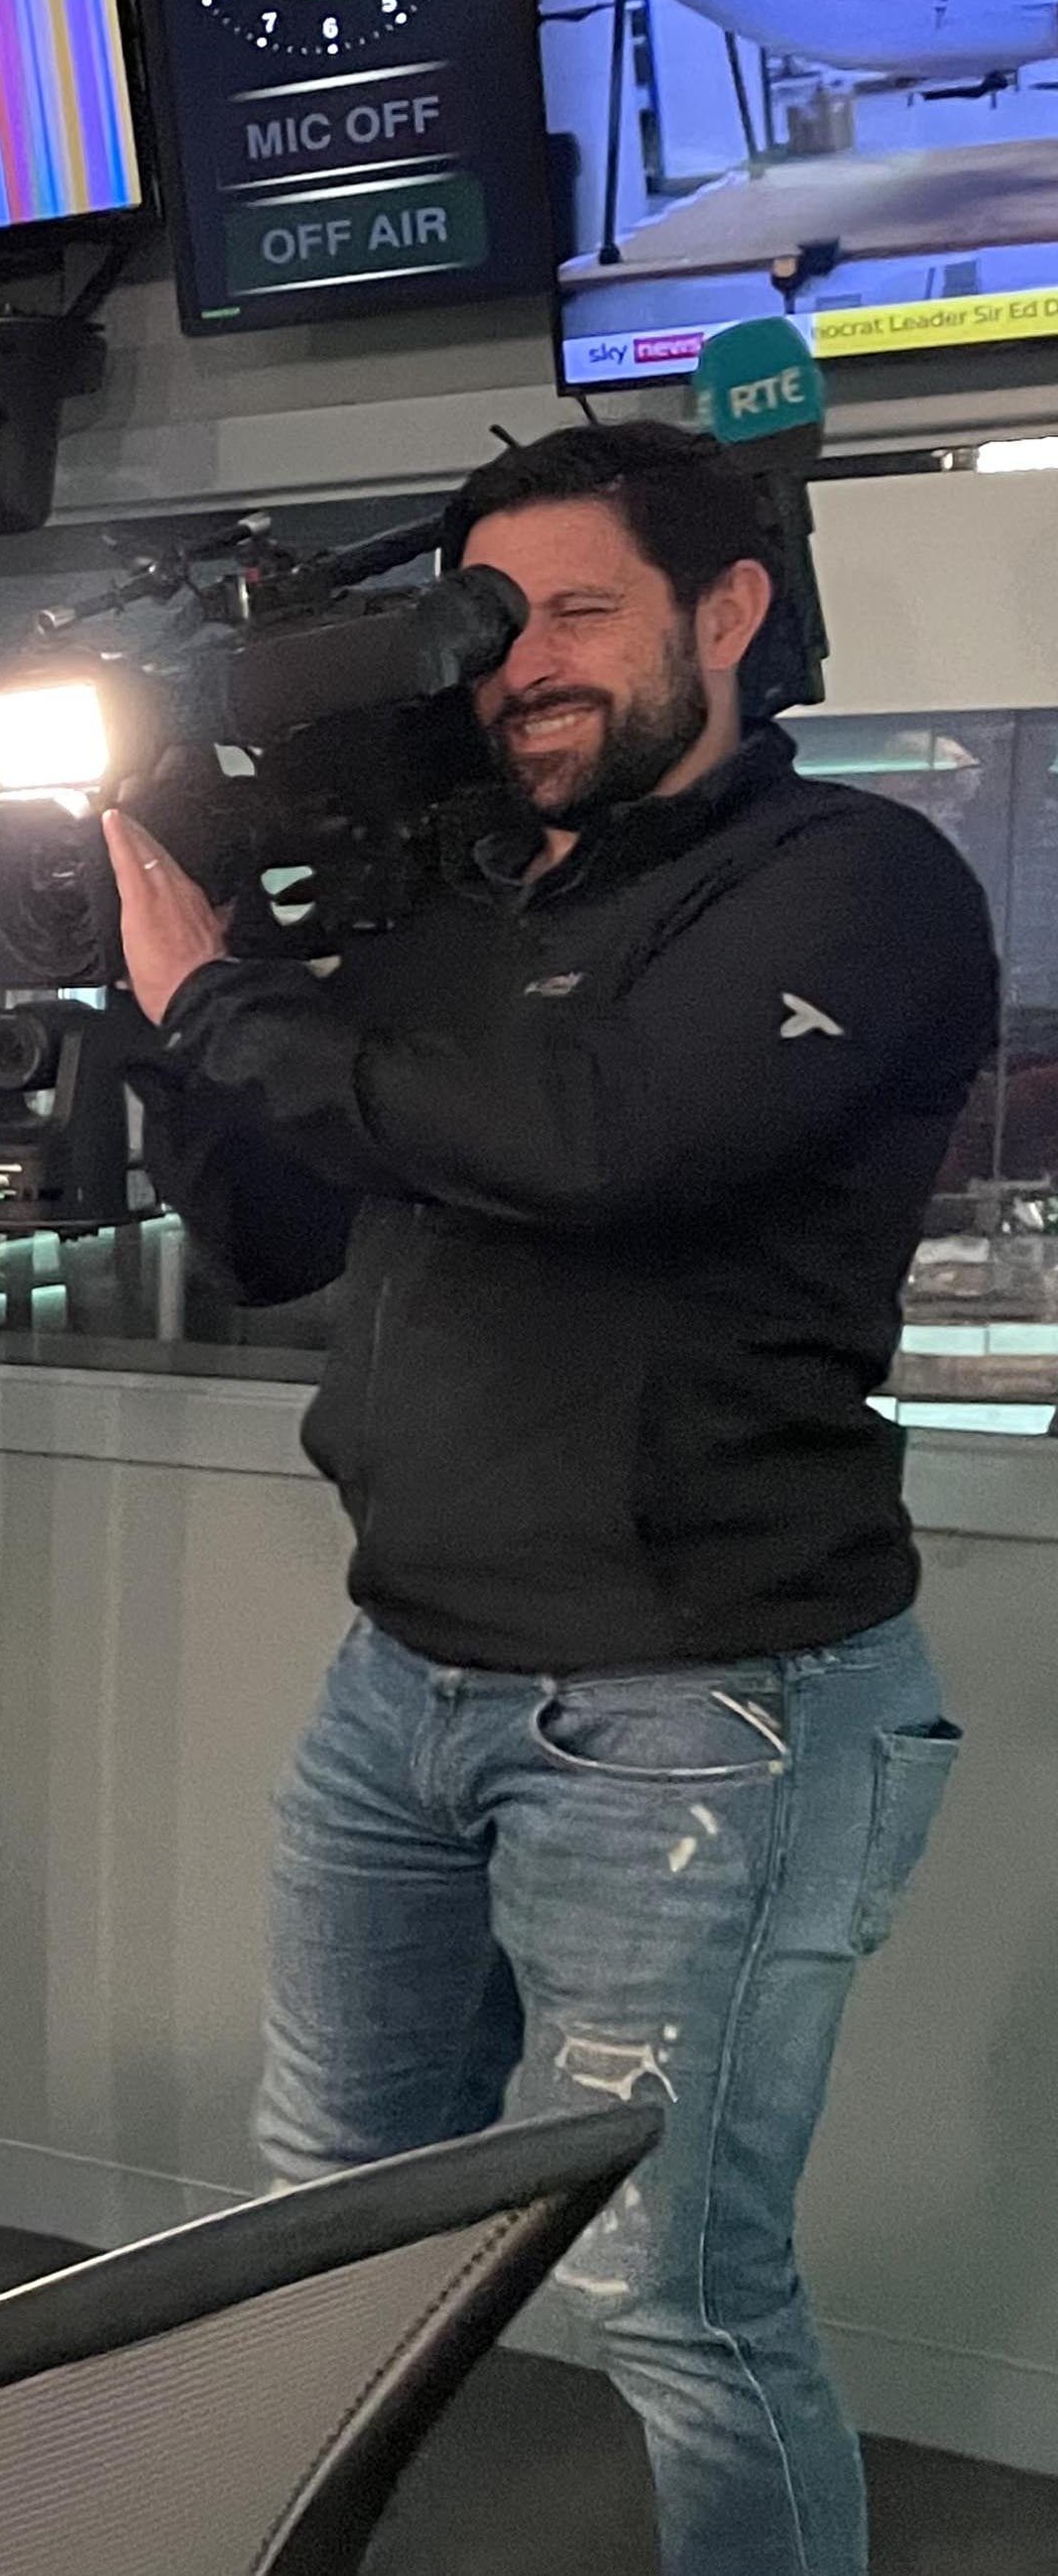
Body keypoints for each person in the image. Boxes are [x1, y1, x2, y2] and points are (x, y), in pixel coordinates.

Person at [111, 422, 993, 2576]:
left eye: (575, 609)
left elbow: (602, 1143)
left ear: (726, 612)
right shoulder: (458, 915)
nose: (522, 669)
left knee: (667, 2303)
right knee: (322, 2231)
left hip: (702, 1708)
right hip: (398, 1687)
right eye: (490, 630)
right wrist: (154, 1020)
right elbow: (274, 1236)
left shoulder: (851, 884)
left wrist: (225, 1001)